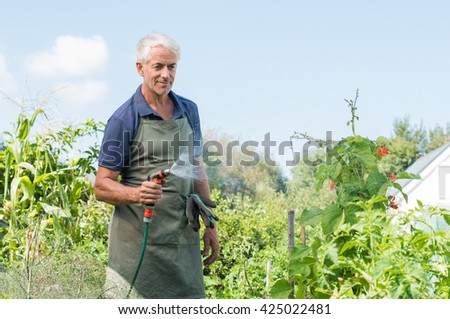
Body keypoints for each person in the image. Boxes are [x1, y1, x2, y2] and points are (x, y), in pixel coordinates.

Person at [94, 33, 219, 299]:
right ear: (140, 68)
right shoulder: (123, 119)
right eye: (158, 67)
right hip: (138, 246)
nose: (166, 74)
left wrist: (211, 224)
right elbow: (101, 187)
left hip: (182, 242)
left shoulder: (189, 110)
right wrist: (136, 194)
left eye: (171, 67)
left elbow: (196, 166)